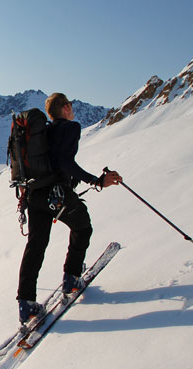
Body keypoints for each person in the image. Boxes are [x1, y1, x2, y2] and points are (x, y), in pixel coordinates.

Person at [17, 93, 122, 323]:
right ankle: (72, 277)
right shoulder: (70, 128)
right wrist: (96, 181)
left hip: (34, 196)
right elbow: (65, 161)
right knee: (83, 227)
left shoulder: (43, 133)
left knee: (36, 245)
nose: (72, 109)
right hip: (56, 195)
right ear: (65, 108)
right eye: (70, 105)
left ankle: (26, 303)